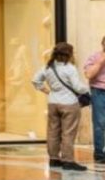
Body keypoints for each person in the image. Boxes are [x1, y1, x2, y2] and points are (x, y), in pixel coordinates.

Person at [33, 42, 89, 171]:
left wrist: (48, 92)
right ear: (69, 54)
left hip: (53, 103)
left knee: (53, 132)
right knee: (68, 133)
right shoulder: (70, 68)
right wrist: (87, 89)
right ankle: (68, 161)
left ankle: (54, 159)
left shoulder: (48, 67)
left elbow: (35, 80)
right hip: (69, 103)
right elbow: (77, 87)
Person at [84, 36, 105, 163]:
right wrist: (101, 61)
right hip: (99, 92)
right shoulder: (94, 57)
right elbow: (89, 74)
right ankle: (99, 154)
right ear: (103, 44)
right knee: (100, 124)